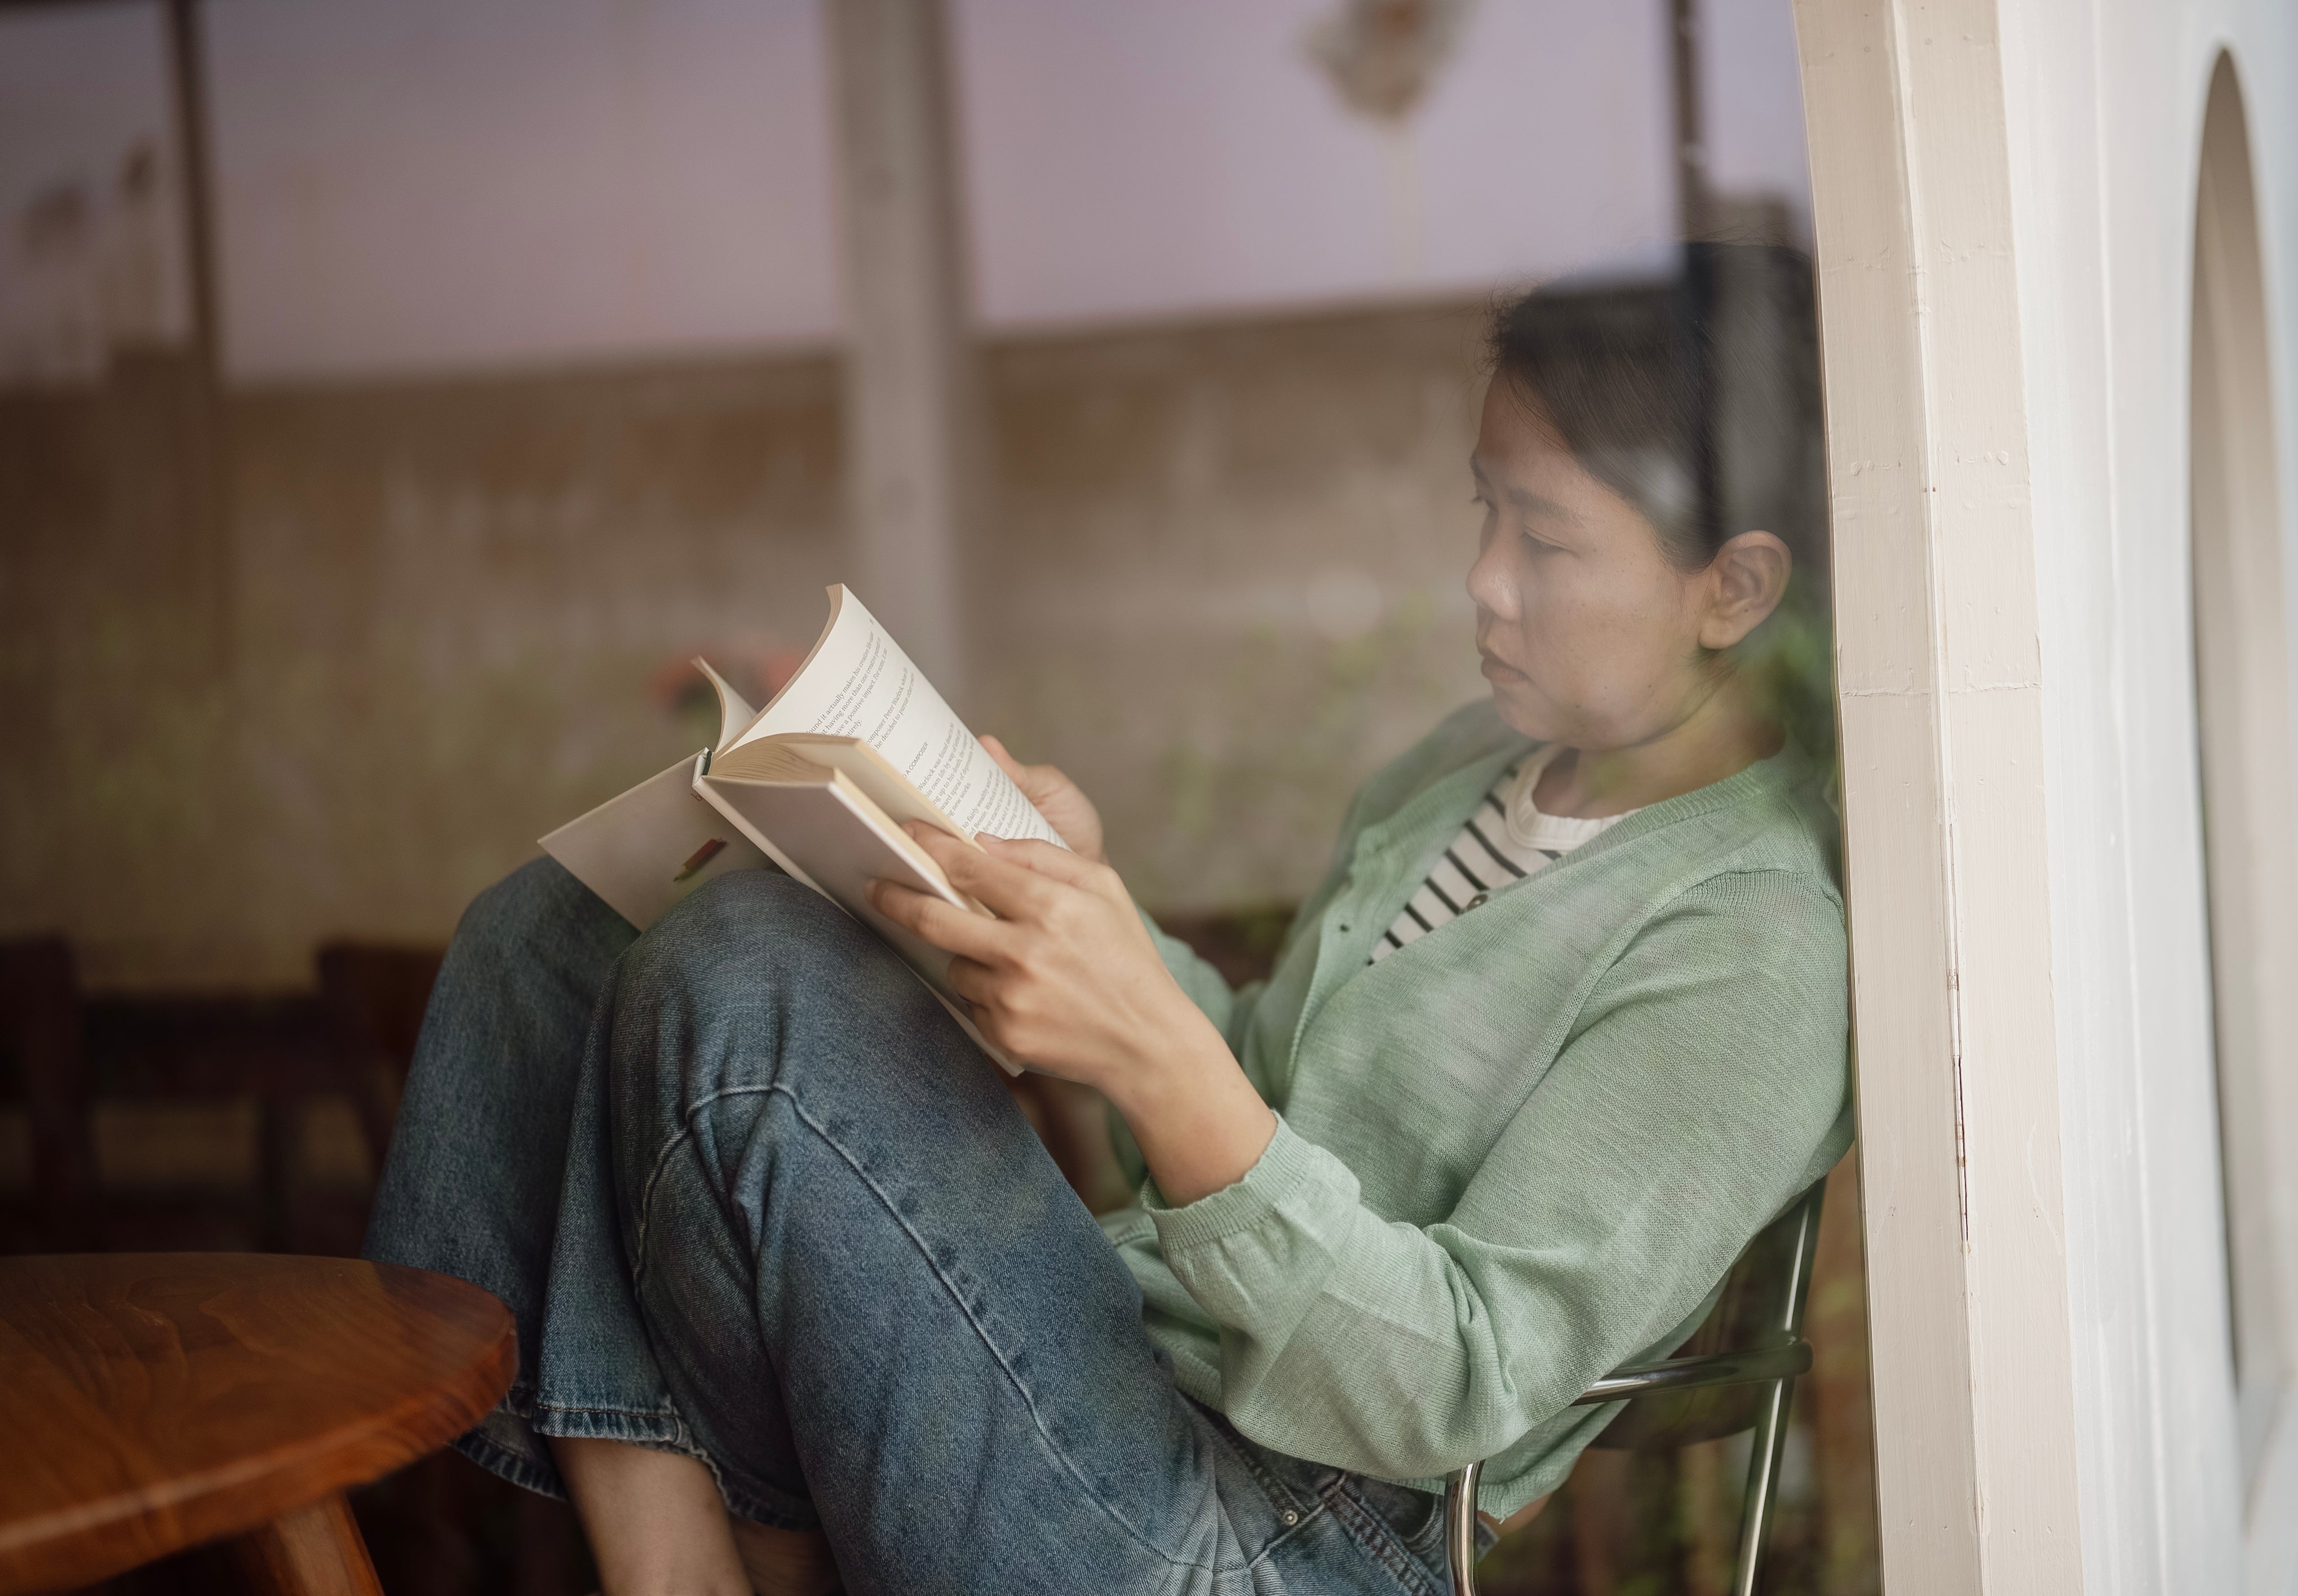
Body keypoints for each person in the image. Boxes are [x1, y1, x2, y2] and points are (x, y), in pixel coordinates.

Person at [364, 272, 1852, 1596]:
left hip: (1292, 1530)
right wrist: (1078, 888)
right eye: (1485, 512)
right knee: (556, 930)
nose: (1482, 581)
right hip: (1108, 1370)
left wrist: (1158, 1063)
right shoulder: (1466, 776)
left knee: (745, 965)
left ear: (1735, 588)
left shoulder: (1758, 942)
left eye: (1546, 539)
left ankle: (731, 1548)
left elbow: (1465, 1380)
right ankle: (674, 1544)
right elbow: (1245, 1114)